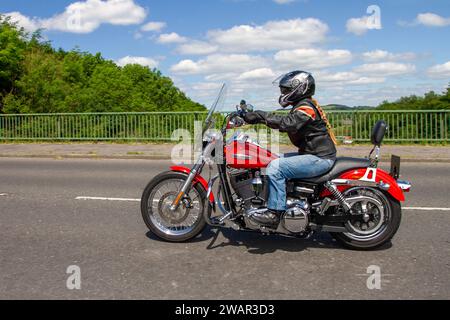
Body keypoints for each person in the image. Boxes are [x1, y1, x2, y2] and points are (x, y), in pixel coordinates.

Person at [243, 70, 338, 227]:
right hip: (313, 154)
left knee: (275, 168)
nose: (283, 93)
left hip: (319, 158)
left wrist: (259, 116)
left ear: (299, 88)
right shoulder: (304, 104)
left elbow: (288, 123)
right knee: (272, 159)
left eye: (286, 90)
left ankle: (274, 213)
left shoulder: (306, 107)